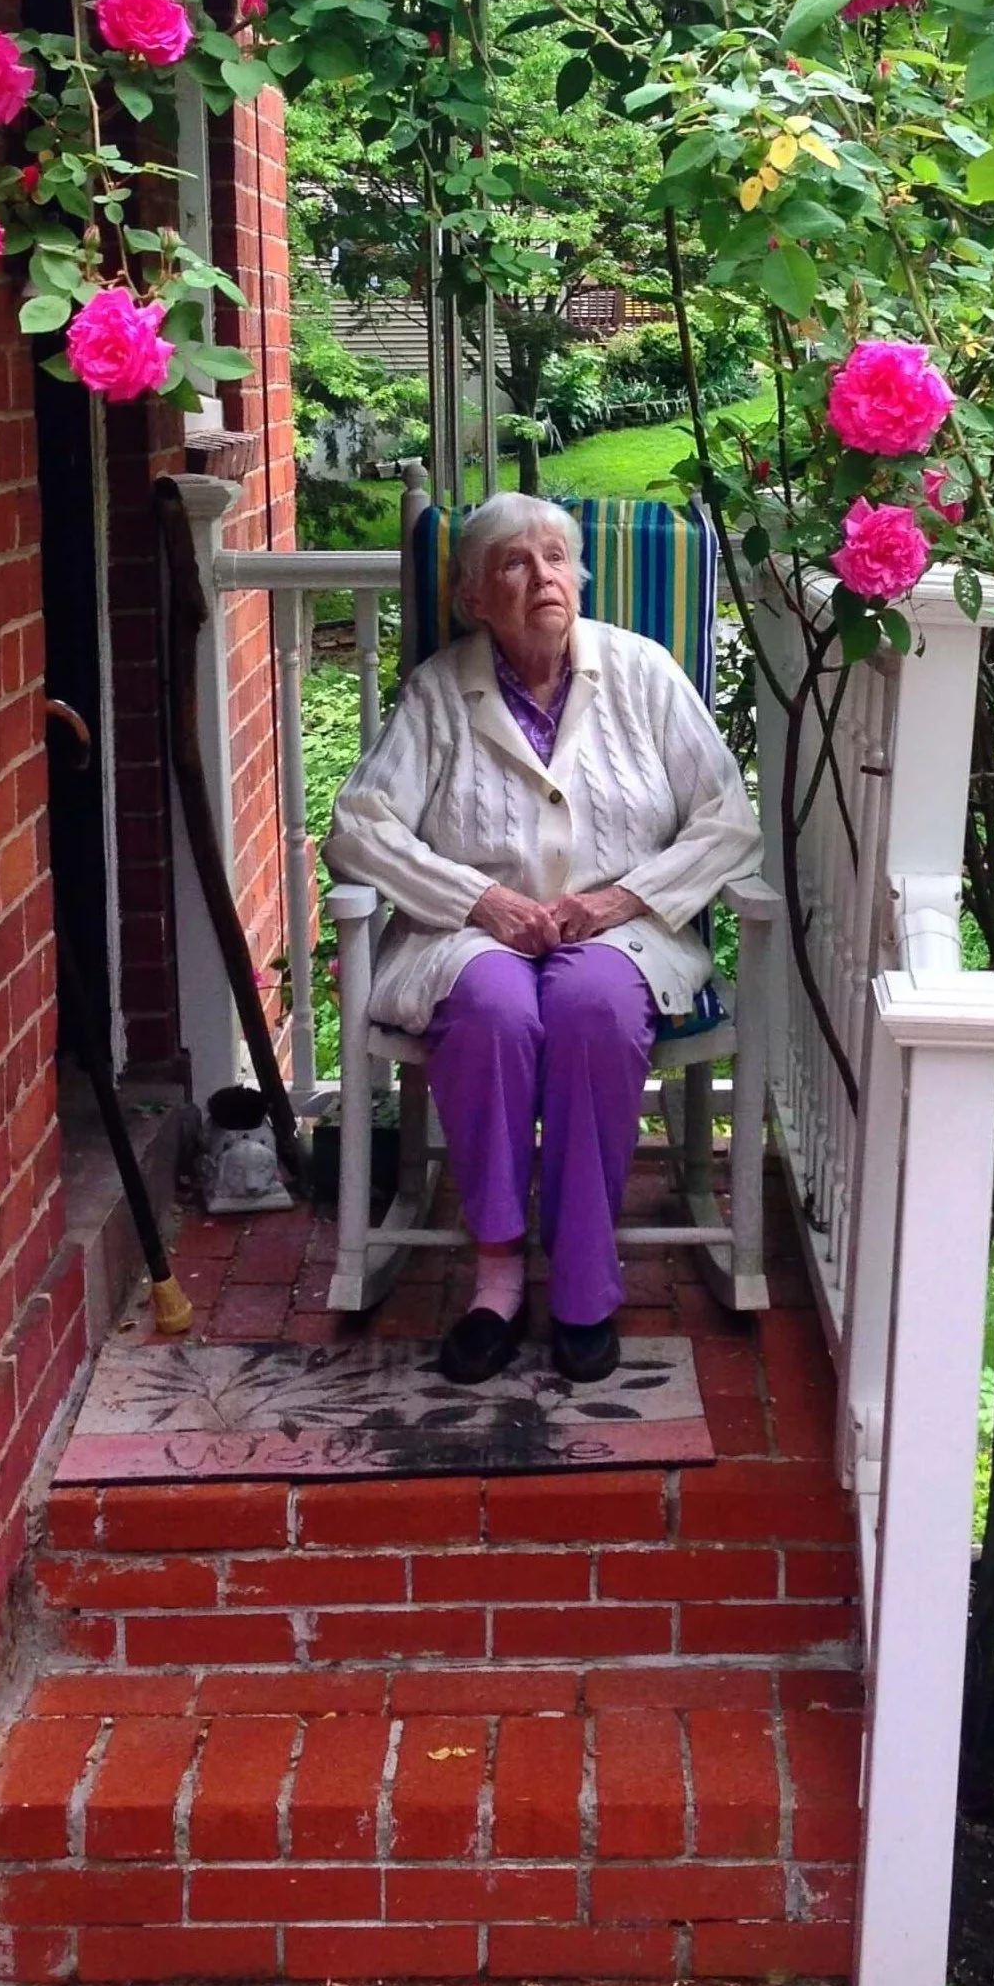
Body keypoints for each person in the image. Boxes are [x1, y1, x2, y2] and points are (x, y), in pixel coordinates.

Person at [323, 495, 761, 1385]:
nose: (542, 577)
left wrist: (619, 901)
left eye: (555, 557)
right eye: (514, 564)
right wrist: (477, 898)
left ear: (579, 576)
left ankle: (584, 1284)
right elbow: (360, 827)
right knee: (491, 1012)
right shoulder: (442, 690)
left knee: (591, 1009)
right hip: (471, 937)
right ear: (475, 599)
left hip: (622, 933)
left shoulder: (643, 673)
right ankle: (495, 1276)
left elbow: (726, 820)